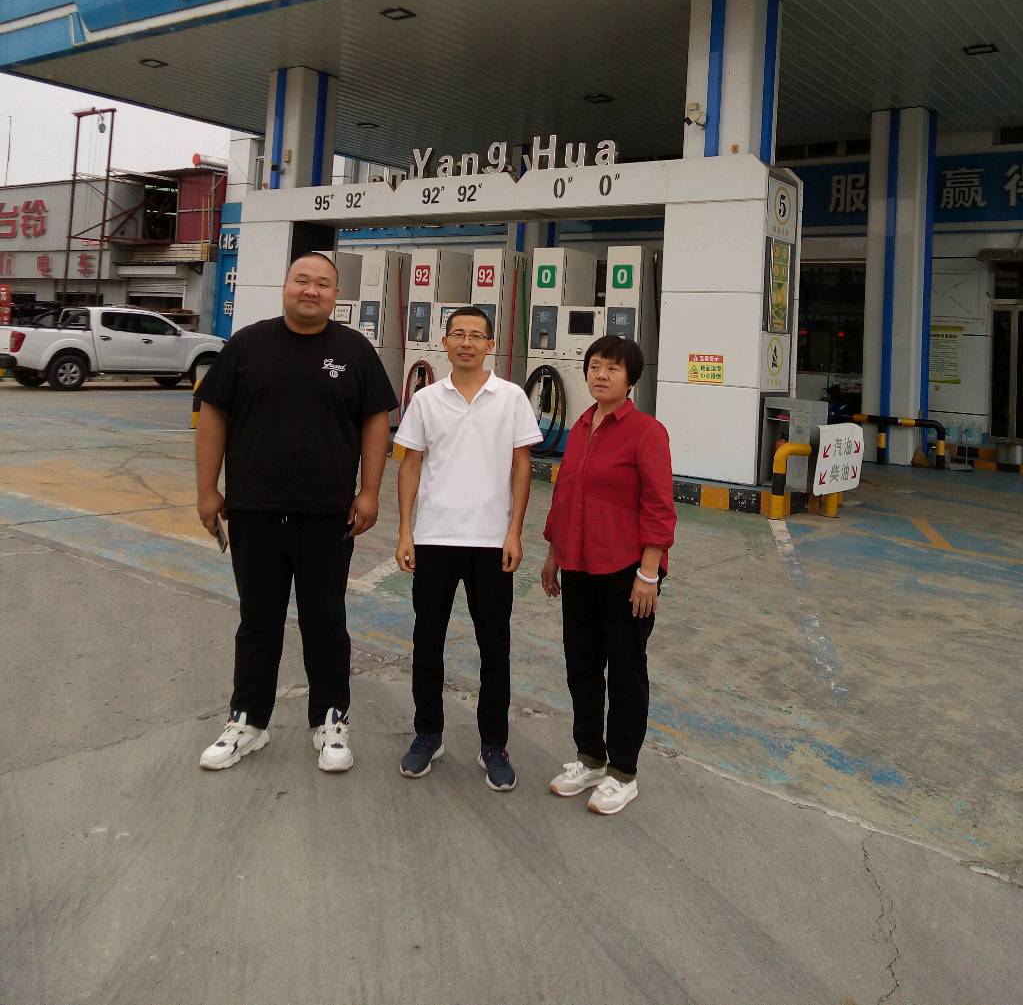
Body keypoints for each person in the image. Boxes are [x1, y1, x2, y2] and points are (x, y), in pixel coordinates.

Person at [195, 251, 398, 773]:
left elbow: (376, 419)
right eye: (302, 280)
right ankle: (247, 721)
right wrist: (207, 490)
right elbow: (213, 412)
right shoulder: (247, 345)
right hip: (253, 510)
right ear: (285, 286)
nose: (312, 290)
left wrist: (370, 491)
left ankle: (330, 721)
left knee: (325, 620)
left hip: (327, 515)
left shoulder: (354, 350)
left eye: (323, 284)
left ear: (336, 295)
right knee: (257, 619)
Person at [394, 305, 542, 791]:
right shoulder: (426, 400)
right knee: (427, 642)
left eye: (476, 335)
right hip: (434, 538)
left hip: (491, 542)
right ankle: (427, 734)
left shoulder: (511, 398)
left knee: (494, 646)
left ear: (490, 344)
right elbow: (410, 465)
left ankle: (493, 744)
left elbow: (522, 467)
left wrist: (514, 531)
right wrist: (406, 531)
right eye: (457, 334)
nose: (466, 343)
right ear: (445, 342)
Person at [541, 335, 676, 816]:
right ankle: (590, 758)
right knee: (580, 666)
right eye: (595, 366)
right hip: (579, 566)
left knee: (625, 672)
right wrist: (554, 554)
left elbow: (659, 505)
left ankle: (623, 772)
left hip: (625, 573)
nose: (601, 375)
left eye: (612, 368)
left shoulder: (646, 432)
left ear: (630, 378)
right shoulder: (581, 426)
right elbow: (566, 496)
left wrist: (649, 573)